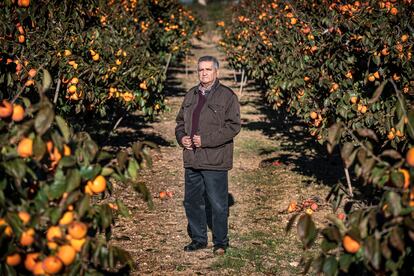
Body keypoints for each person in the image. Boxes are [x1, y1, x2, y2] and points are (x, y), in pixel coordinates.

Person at [175, 55, 241, 255]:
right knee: (192, 201)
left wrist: (206, 140)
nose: (203, 73)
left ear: (216, 72)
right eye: (200, 70)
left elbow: (233, 126)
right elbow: (179, 123)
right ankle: (198, 239)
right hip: (192, 159)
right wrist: (182, 138)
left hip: (215, 159)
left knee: (218, 203)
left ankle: (220, 242)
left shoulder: (227, 96)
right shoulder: (191, 95)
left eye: (208, 70)